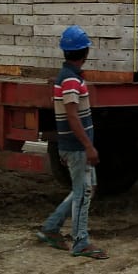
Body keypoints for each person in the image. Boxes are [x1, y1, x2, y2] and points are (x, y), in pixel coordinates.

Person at [37, 25, 107, 259]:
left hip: (74, 145)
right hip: (77, 147)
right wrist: (88, 146)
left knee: (86, 189)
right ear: (85, 53)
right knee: (83, 193)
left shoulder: (69, 77)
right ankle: (80, 242)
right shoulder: (69, 80)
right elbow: (72, 116)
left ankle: (51, 227)